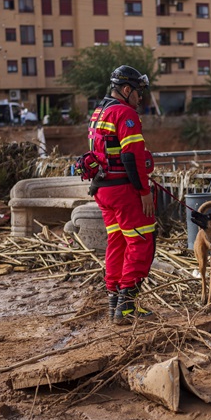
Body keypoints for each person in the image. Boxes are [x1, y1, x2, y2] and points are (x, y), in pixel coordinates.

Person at [87, 65, 156, 325]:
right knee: (140, 242)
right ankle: (127, 307)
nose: (141, 98)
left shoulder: (98, 112)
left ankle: (114, 303)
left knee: (117, 243)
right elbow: (131, 156)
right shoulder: (125, 114)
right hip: (125, 190)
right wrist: (144, 191)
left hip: (103, 190)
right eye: (138, 92)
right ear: (126, 90)